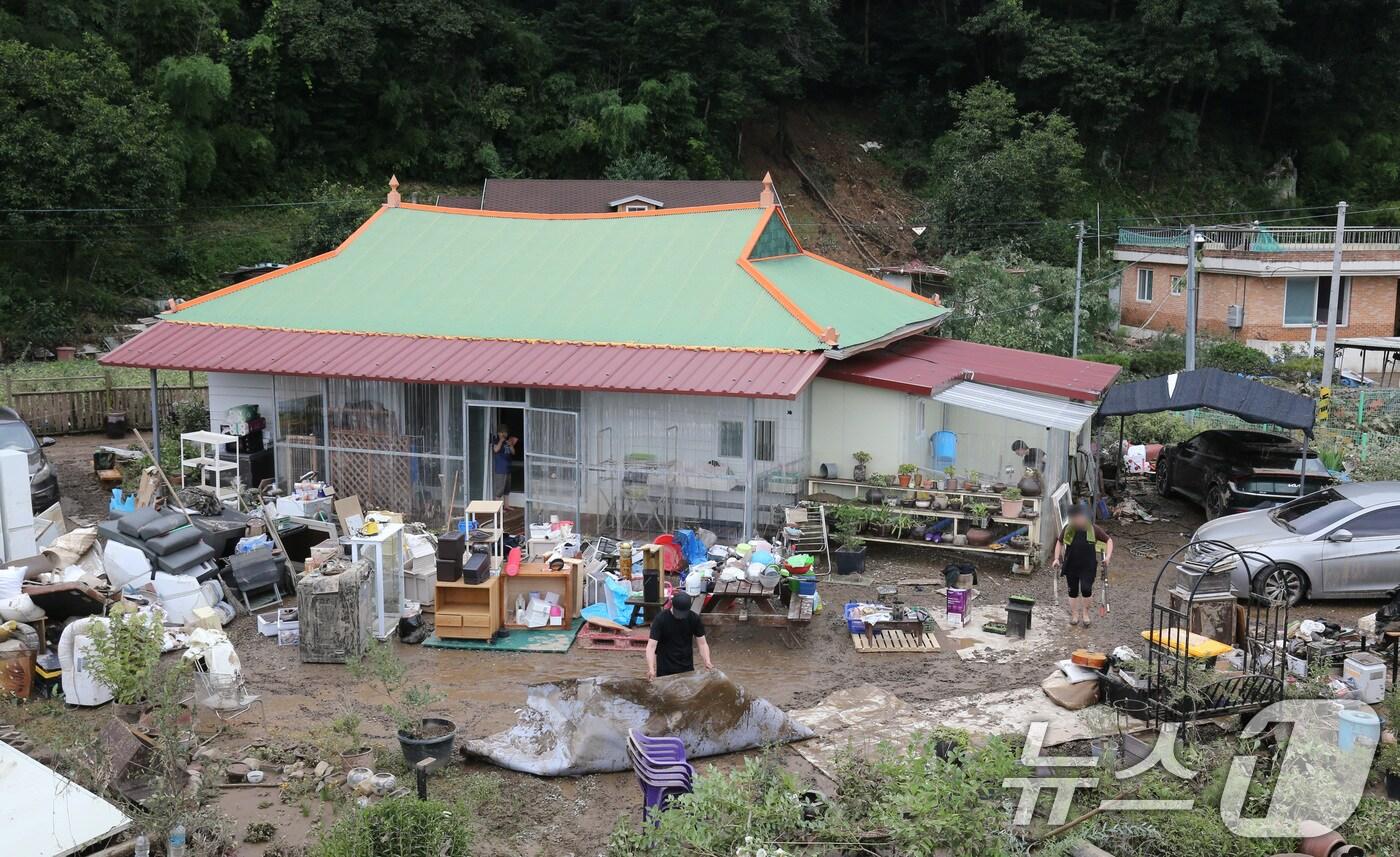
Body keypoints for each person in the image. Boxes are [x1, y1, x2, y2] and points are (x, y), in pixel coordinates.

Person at [1052, 503, 1113, 628]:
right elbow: (1060, 542)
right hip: (1071, 564)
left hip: (1088, 565)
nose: (1079, 520)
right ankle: (1074, 615)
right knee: (1072, 591)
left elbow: (1109, 541)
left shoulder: (1093, 529)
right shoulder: (1068, 529)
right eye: (1076, 518)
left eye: (1081, 517)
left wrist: (1108, 557)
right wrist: (1056, 558)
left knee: (1086, 590)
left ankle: (1085, 614)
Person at [646, 591, 713, 680]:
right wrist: (651, 668)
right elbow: (651, 646)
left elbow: (702, 643)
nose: (680, 617)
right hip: (665, 669)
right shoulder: (661, 619)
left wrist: (707, 661)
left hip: (687, 668)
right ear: (672, 605)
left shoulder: (694, 618)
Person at [491, 427, 516, 509]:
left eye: (505, 432)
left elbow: (513, 452)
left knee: (507, 489)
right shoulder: (496, 440)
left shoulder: (507, 441)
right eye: (502, 432)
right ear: (498, 433)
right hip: (500, 469)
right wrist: (501, 441)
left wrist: (511, 445)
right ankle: (497, 508)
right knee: (499, 490)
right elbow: (495, 450)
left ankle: (506, 506)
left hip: (508, 468)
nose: (504, 434)